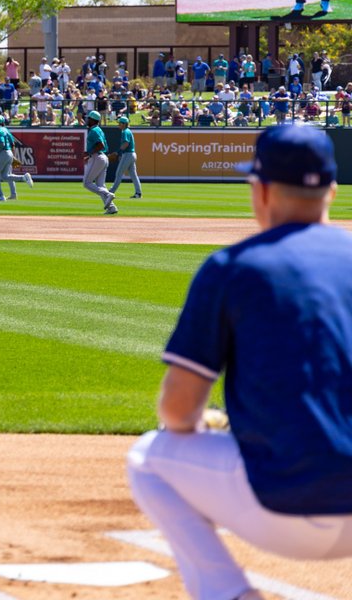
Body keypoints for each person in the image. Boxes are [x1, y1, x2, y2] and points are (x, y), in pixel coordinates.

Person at [126, 124, 352, 600]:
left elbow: (177, 412)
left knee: (148, 458)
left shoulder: (235, 267)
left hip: (283, 512)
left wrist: (206, 425)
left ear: (261, 189)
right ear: (332, 189)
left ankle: (228, 592)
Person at [0, 114, 32, 202]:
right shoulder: (5, 130)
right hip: (8, 153)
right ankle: (24, 178)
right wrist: (12, 155)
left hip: (2, 153)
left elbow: (1, 144)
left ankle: (1, 196)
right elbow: (12, 143)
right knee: (5, 176)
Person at [83, 110, 117, 214]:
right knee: (100, 185)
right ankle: (111, 208)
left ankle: (107, 195)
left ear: (93, 120)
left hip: (97, 157)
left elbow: (101, 145)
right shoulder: (98, 129)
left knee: (87, 183)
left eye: (89, 118)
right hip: (102, 157)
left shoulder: (94, 131)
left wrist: (89, 153)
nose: (87, 119)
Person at [109, 115, 142, 199]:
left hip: (127, 154)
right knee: (133, 175)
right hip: (132, 154)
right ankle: (138, 193)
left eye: (120, 123)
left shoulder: (125, 131)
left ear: (124, 124)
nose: (118, 124)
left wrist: (117, 152)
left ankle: (111, 192)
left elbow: (126, 143)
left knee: (119, 173)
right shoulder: (127, 131)